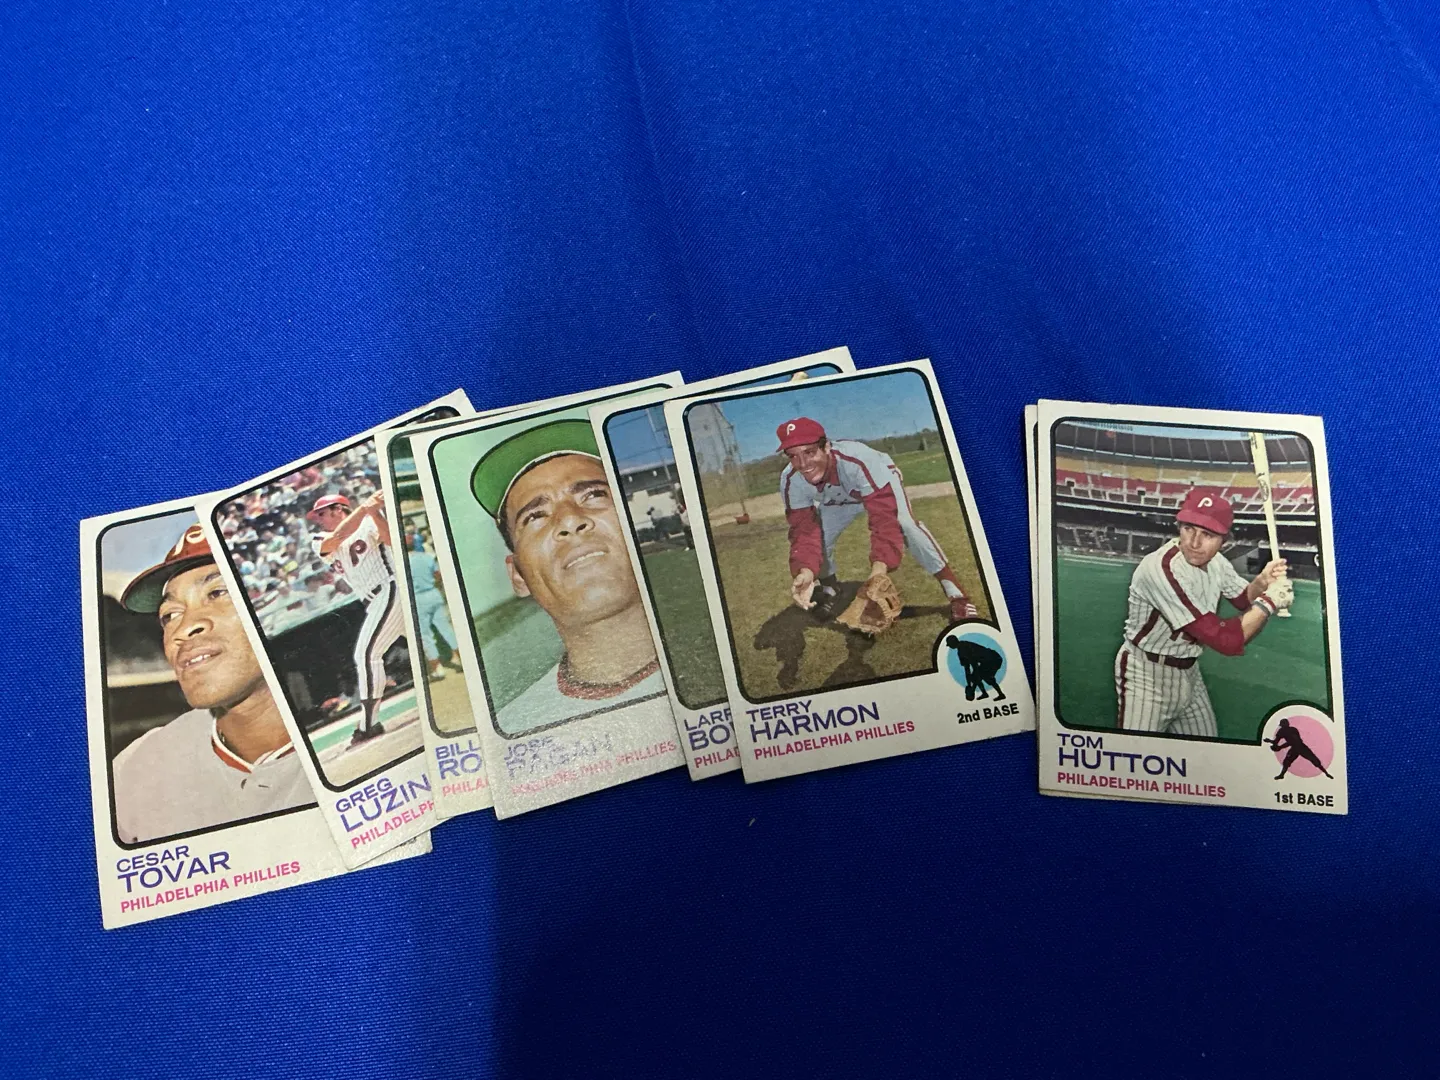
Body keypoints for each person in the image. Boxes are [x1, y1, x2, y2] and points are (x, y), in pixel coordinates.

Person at [113, 524, 312, 843]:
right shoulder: (134, 768)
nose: (183, 629)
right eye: (169, 614)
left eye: (218, 593)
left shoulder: (363, 735)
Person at [470, 419, 664, 734]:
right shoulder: (514, 729)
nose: (570, 520)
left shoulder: (733, 652)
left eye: (594, 495)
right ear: (518, 576)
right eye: (535, 515)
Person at [1115, 487, 1292, 736]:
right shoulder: (1162, 568)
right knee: (1137, 753)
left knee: (1206, 750)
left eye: (1207, 534)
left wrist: (1262, 582)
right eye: (1189, 528)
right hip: (1146, 674)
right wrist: (1270, 602)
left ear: (1224, 541)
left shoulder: (1217, 562)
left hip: (1190, 673)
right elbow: (1225, 640)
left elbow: (1243, 599)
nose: (1194, 543)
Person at [776, 417, 978, 623]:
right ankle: (830, 588)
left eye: (809, 452)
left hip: (878, 480)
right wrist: (806, 570)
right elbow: (804, 531)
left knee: (905, 525)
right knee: (820, 537)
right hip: (838, 497)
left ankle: (956, 593)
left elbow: (884, 520)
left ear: (826, 446)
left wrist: (879, 571)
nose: (803, 464)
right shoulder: (791, 479)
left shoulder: (859, 459)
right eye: (793, 456)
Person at [308, 492, 404, 747]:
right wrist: (365, 507)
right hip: (374, 600)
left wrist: (374, 511)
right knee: (425, 642)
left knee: (367, 655)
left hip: (389, 588)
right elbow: (336, 539)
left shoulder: (368, 521)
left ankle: (368, 725)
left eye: (322, 513)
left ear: (338, 509)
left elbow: (393, 541)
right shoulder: (318, 539)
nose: (318, 519)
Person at [406, 543, 463, 681]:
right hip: (433, 593)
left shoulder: (403, 563)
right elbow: (438, 575)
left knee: (426, 635)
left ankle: (438, 669)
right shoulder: (427, 557)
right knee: (446, 629)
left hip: (418, 598)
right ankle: (463, 659)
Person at [1266, 717, 1334, 780]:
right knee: (1286, 762)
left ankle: (1326, 773)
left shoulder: (1293, 729)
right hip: (1295, 748)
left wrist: (1279, 747)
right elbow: (1276, 742)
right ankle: (1282, 775)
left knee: (1314, 759)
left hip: (1300, 747)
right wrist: (1270, 742)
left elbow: (1294, 742)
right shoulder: (1281, 731)